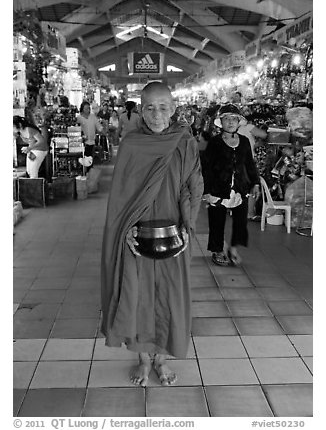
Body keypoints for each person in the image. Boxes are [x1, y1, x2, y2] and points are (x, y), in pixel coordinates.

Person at [101, 81, 204, 387]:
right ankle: (144, 360)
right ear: (140, 110)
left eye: (163, 107)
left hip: (173, 231)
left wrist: (188, 226)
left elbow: (193, 186)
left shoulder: (185, 141)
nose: (156, 114)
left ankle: (162, 360)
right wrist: (124, 230)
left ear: (173, 109)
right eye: (149, 108)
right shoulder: (132, 144)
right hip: (136, 232)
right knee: (138, 296)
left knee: (170, 296)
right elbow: (120, 195)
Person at [202, 104, 260, 266]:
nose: (230, 122)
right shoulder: (214, 143)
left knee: (241, 222)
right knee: (217, 222)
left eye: (234, 119)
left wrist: (255, 182)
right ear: (221, 121)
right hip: (218, 189)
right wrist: (206, 190)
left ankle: (233, 248)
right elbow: (206, 168)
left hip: (240, 188)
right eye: (227, 119)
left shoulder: (244, 142)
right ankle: (217, 250)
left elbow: (250, 164)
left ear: (238, 122)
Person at [76, 101, 103, 170]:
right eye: (85, 109)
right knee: (82, 158)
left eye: (88, 108)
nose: (87, 110)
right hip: (82, 141)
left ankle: (89, 172)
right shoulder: (79, 118)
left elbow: (98, 125)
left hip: (91, 141)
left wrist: (102, 130)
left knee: (89, 158)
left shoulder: (92, 116)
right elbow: (77, 128)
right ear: (82, 109)